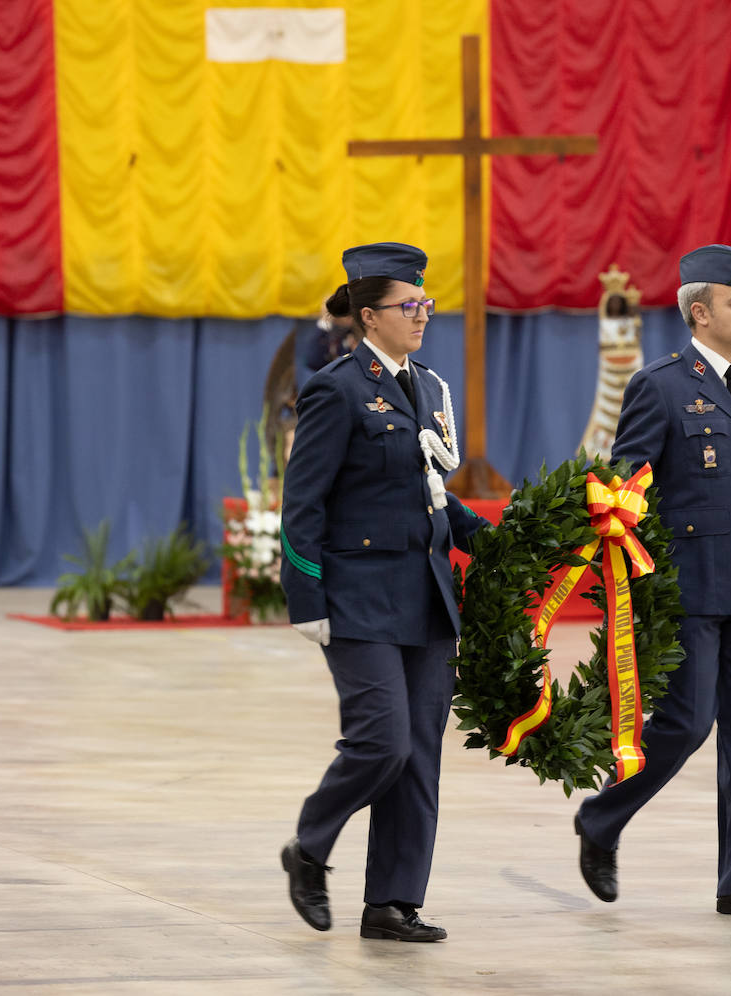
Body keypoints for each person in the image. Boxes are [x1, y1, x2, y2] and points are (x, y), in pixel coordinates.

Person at [573, 244, 731, 918]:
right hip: (689, 592)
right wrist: (636, 592)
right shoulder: (661, 386)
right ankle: (602, 820)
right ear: (700, 313)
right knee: (684, 725)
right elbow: (624, 491)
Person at [278, 242, 484, 941]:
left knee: (419, 751)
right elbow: (302, 504)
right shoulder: (336, 389)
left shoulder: (427, 387)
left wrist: (492, 539)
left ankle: (392, 901)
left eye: (427, 302)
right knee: (382, 743)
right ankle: (310, 845)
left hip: (426, 596)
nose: (423, 314)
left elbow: (431, 495)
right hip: (359, 598)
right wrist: (306, 601)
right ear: (369, 315)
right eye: (410, 304)